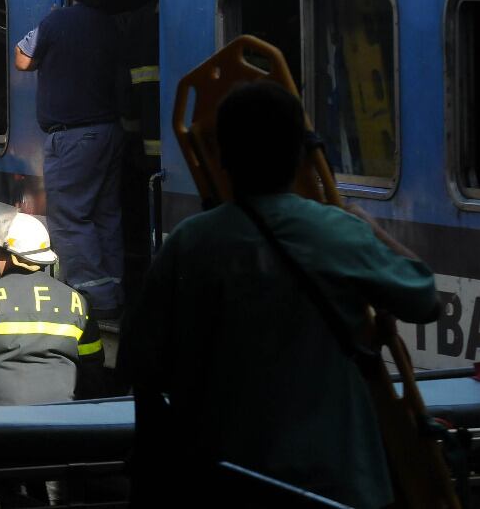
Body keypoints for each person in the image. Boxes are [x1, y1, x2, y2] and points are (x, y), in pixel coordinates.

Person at [123, 82, 440, 508]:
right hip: (338, 480)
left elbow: (141, 361)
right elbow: (425, 300)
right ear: (299, 156)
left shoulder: (188, 242)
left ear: (223, 158)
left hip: (225, 479)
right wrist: (368, 226)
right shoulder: (337, 232)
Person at [14, 0, 127, 319]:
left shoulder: (57, 21)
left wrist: (47, 28)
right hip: (109, 132)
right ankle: (114, 289)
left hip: (73, 138)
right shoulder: (111, 25)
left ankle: (94, 300)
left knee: (70, 218)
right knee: (105, 215)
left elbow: (21, 59)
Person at [0, 206, 104, 407]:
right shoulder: (78, 303)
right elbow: (93, 367)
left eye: (0, 251)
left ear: (15, 257)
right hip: (60, 416)